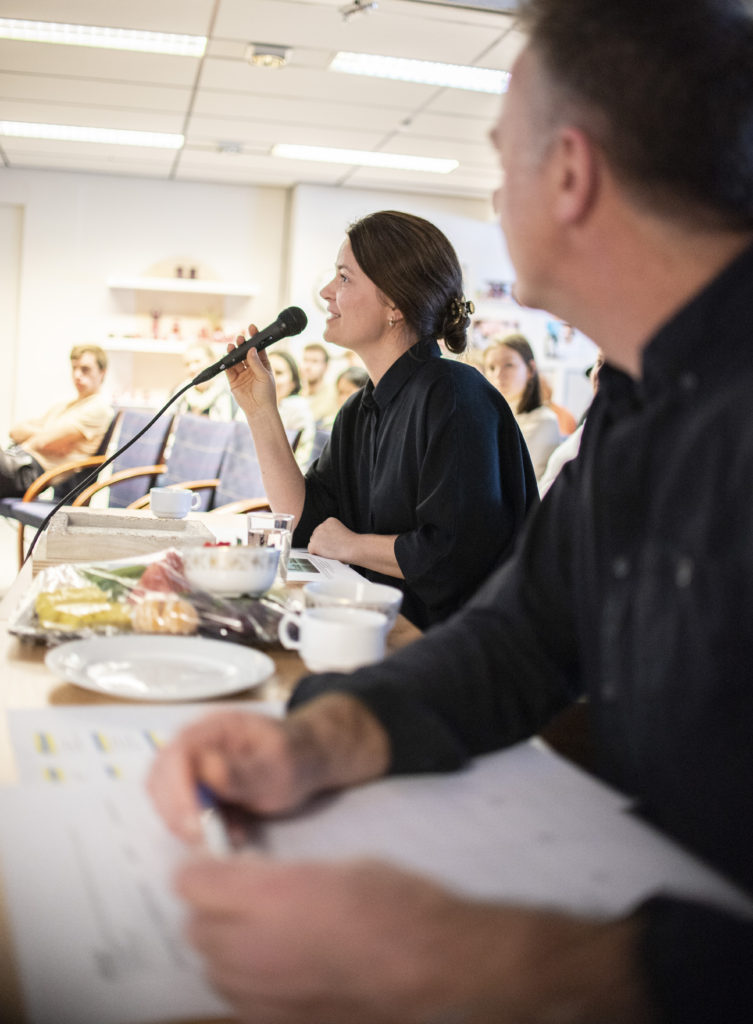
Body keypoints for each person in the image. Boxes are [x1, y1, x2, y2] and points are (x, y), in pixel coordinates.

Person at [149, 2, 753, 1016]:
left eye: (500, 158)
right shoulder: (642, 402)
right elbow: (517, 640)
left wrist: (535, 966)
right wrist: (319, 738)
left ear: (569, 172)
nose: (492, 192)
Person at [225, 209, 538, 628]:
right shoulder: (361, 408)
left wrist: (352, 546)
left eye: (344, 277)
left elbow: (452, 555)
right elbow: (307, 525)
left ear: (394, 303)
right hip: (379, 628)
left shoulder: (455, 396)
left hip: (454, 648)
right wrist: (260, 410)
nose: (325, 292)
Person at [1, 344, 113, 498]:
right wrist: (47, 434)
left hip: (27, 473)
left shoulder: (98, 408)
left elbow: (43, 442)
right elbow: (15, 431)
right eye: (74, 368)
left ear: (102, 373)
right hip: (14, 460)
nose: (77, 375)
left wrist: (38, 437)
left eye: (85, 369)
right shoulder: (64, 406)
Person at [483, 333, 562, 479]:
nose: (498, 375)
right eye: (492, 367)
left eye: (509, 365)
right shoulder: (491, 417)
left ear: (530, 369)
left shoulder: (544, 420)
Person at [266, 350, 316, 469]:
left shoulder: (297, 407)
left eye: (279, 373)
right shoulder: (252, 407)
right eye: (266, 370)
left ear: (293, 382)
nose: (270, 377)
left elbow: (300, 461)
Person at [170, 342, 235, 421]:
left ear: (212, 362)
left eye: (197, 361)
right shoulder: (178, 394)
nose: (192, 369)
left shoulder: (231, 394)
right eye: (187, 364)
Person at [299, 342, 338, 427]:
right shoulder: (296, 393)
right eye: (305, 360)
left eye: (314, 361)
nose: (308, 366)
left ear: (326, 366)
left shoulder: (334, 395)